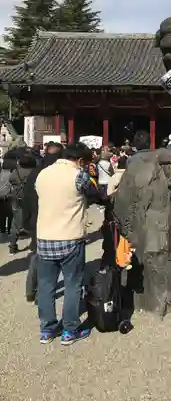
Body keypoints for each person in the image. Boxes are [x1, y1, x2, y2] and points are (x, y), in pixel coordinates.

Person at [35, 143, 100, 345]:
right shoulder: (79, 176)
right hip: (70, 237)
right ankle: (70, 330)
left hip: (45, 237)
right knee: (73, 284)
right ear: (80, 161)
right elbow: (94, 195)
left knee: (46, 286)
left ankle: (47, 330)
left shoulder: (43, 174)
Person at [23, 143, 64, 302]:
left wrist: (26, 221)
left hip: (35, 219)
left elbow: (27, 198)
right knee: (51, 260)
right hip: (53, 219)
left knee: (36, 254)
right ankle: (43, 292)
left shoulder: (35, 171)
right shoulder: (58, 174)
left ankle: (30, 290)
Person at [8, 152, 37, 254]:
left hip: (17, 198)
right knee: (34, 220)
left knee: (16, 223)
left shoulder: (16, 172)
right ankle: (34, 244)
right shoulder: (35, 172)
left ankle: (12, 246)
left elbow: (10, 180)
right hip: (32, 199)